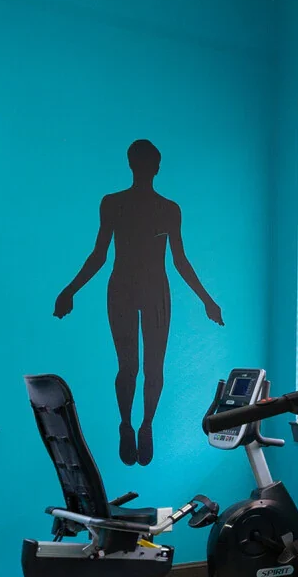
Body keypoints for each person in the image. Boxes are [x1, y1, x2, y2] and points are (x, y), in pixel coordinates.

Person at [54, 139, 224, 465]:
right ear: (150, 167)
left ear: (135, 164)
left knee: (146, 367)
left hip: (151, 290)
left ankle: (144, 425)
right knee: (132, 367)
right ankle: (128, 424)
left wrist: (207, 300)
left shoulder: (166, 209)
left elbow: (179, 261)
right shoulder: (117, 204)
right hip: (125, 289)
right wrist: (70, 290)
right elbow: (100, 254)